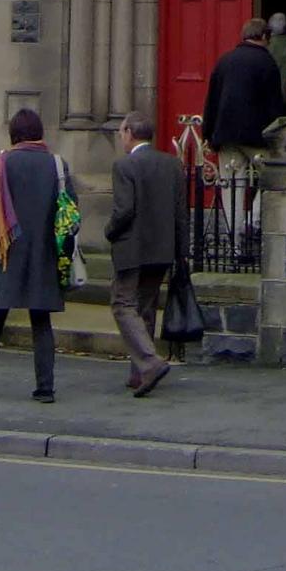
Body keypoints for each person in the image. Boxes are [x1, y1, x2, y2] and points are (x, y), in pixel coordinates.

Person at [0, 108, 74, 404]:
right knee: (41, 321)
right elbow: (69, 208)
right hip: (43, 250)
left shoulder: (1, 164)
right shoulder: (57, 164)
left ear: (14, 134)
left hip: (8, 248)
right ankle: (45, 387)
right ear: (39, 133)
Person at [105, 111, 189, 397]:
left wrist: (110, 232)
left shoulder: (124, 166)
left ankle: (150, 363)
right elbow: (181, 214)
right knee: (146, 307)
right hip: (162, 249)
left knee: (122, 303)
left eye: (121, 132)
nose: (120, 138)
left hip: (132, 248)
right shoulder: (172, 164)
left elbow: (124, 210)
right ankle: (139, 373)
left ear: (129, 133)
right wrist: (182, 252)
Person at [201, 18, 285, 244]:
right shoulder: (267, 63)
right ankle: (253, 222)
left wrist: (208, 134)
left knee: (231, 188)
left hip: (226, 136)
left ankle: (235, 243)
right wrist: (277, 136)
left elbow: (212, 101)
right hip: (257, 137)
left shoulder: (224, 61)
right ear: (264, 37)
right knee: (274, 177)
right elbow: (274, 105)